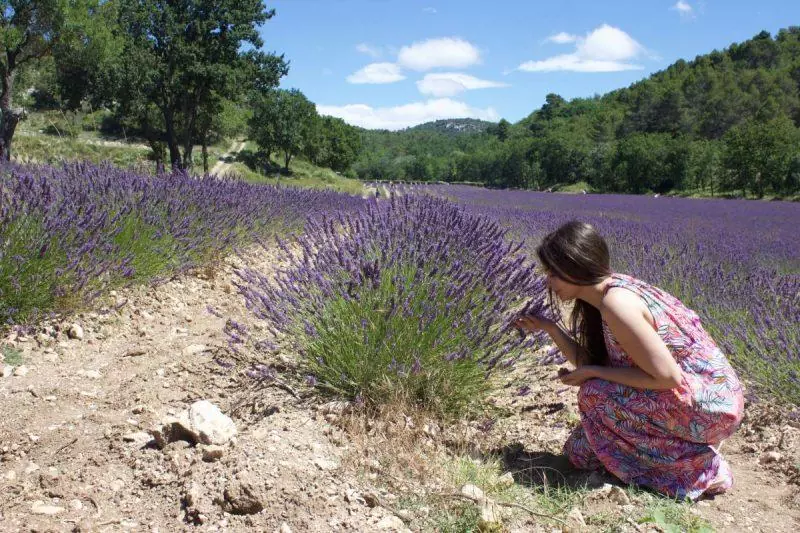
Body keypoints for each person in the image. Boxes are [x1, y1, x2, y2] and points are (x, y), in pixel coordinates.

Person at [514, 220, 744, 500]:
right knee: (581, 452)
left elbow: (667, 377)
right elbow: (600, 363)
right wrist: (551, 328)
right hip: (697, 396)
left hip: (710, 406)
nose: (548, 281)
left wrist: (594, 374)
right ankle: (679, 451)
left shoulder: (617, 304)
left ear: (574, 265)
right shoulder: (606, 293)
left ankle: (702, 470)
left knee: (594, 394)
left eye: (553, 273)